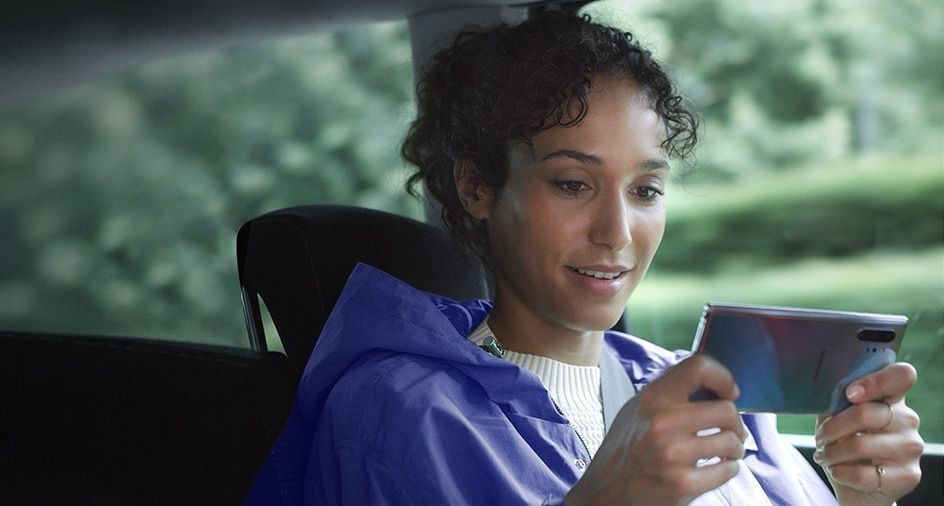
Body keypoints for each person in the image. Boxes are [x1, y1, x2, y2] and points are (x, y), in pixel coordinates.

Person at [245, 11, 923, 505]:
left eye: (646, 190)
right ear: (477, 186)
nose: (617, 232)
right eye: (573, 183)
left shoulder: (705, 391)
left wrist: (864, 497)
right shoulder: (402, 412)